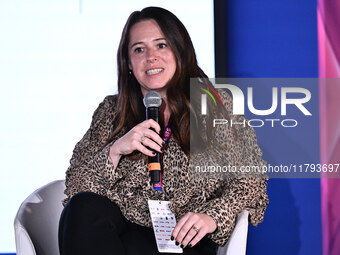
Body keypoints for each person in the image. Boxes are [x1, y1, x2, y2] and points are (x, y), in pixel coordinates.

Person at [58, 6, 269, 255]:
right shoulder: (110, 111)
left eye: (161, 45)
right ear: (128, 63)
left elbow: (251, 182)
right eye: (139, 49)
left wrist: (212, 216)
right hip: (122, 236)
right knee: (82, 207)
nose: (151, 57)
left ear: (180, 52)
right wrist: (115, 151)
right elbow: (75, 187)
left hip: (185, 237)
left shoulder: (216, 107)